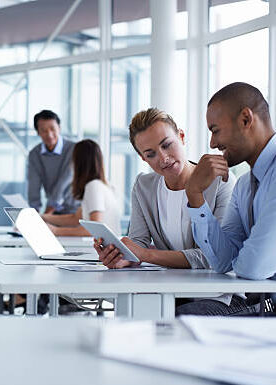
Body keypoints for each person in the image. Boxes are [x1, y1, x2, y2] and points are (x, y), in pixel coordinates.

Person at [94, 108, 249, 316]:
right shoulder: (143, 186)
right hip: (172, 292)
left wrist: (146, 254)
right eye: (151, 154)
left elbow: (213, 257)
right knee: (133, 316)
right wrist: (125, 257)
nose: (163, 158)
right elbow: (138, 241)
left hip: (220, 296)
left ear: (181, 137)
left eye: (167, 145)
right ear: (143, 158)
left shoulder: (221, 181)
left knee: (163, 321)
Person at [185, 82, 276, 309]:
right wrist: (195, 194)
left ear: (246, 119)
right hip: (262, 308)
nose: (212, 143)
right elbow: (224, 261)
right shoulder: (245, 184)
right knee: (174, 319)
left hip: (266, 310)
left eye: (215, 130)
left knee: (179, 321)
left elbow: (254, 267)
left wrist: (242, 257)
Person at [42, 139, 121, 236]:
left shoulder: (93, 186)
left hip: (103, 249)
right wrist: (43, 217)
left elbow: (95, 229)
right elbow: (75, 218)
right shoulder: (104, 185)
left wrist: (56, 231)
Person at [27, 110, 79, 214]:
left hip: (76, 209)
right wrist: (33, 214)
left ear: (59, 128)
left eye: (52, 129)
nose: (49, 135)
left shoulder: (74, 149)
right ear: (38, 132)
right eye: (44, 130)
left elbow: (64, 181)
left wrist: (47, 213)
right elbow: (33, 184)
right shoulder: (34, 154)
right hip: (54, 210)